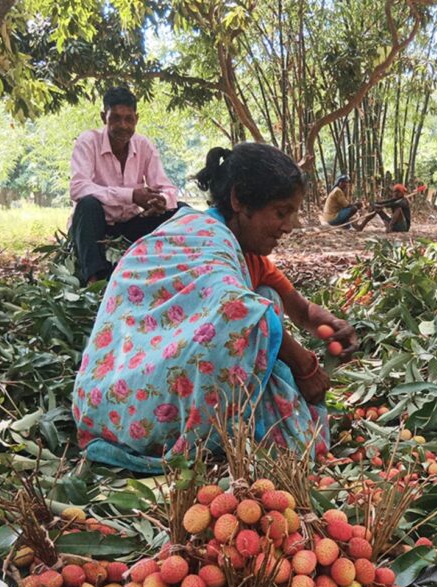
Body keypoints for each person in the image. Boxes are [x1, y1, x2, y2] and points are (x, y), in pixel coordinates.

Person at [72, 143, 359, 472]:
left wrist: (334, 325)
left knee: (266, 297)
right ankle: (192, 432)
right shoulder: (203, 240)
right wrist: (304, 366)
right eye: (281, 212)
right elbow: (238, 310)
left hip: (112, 397)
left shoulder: (244, 252)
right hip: (134, 401)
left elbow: (301, 310)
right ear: (239, 200)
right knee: (256, 314)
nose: (290, 225)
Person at [69, 86, 182, 284]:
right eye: (116, 118)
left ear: (136, 119)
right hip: (96, 228)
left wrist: (160, 201)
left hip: (129, 226)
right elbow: (78, 187)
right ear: (104, 117)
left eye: (129, 119)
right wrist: (131, 195)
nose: (123, 126)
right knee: (87, 205)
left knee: (180, 210)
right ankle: (94, 282)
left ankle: (178, 269)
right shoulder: (88, 141)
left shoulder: (144, 145)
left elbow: (166, 188)